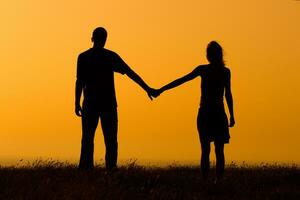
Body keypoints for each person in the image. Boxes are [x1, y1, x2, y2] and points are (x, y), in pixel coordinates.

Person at [75, 27, 155, 170]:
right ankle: (110, 170)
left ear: (92, 38)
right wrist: (147, 88)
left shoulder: (84, 57)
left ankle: (86, 170)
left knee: (88, 139)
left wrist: (76, 102)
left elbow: (79, 82)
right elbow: (130, 73)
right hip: (106, 104)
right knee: (110, 140)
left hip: (92, 104)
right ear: (104, 39)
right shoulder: (109, 56)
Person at [153, 41, 235, 181]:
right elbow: (228, 94)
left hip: (207, 113)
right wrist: (232, 115)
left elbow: (182, 80)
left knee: (206, 150)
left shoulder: (207, 70)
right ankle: (216, 181)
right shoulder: (223, 71)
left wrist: (161, 90)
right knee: (218, 150)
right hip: (216, 113)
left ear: (208, 56)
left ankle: (208, 181)